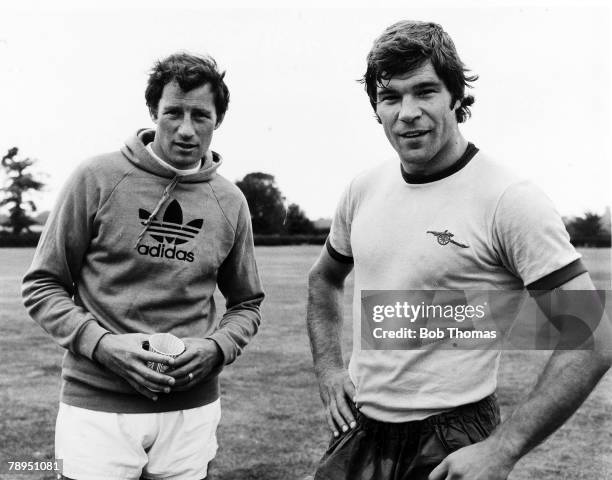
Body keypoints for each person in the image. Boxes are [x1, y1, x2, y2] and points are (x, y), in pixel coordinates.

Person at [306, 20, 611, 480]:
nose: (407, 112)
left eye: (424, 91)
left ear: (456, 96)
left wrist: (503, 449)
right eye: (390, 97)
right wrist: (330, 371)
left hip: (452, 432)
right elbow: (324, 278)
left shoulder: (509, 199)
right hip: (361, 429)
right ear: (376, 108)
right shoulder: (363, 189)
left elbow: (592, 338)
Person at [22, 52, 264, 480]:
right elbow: (43, 284)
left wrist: (215, 348)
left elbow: (246, 303)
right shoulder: (95, 177)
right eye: (174, 112)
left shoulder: (230, 201)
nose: (186, 129)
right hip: (97, 406)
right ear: (154, 112)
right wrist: (101, 344)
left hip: (192, 411)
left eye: (200, 116)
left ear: (217, 121)